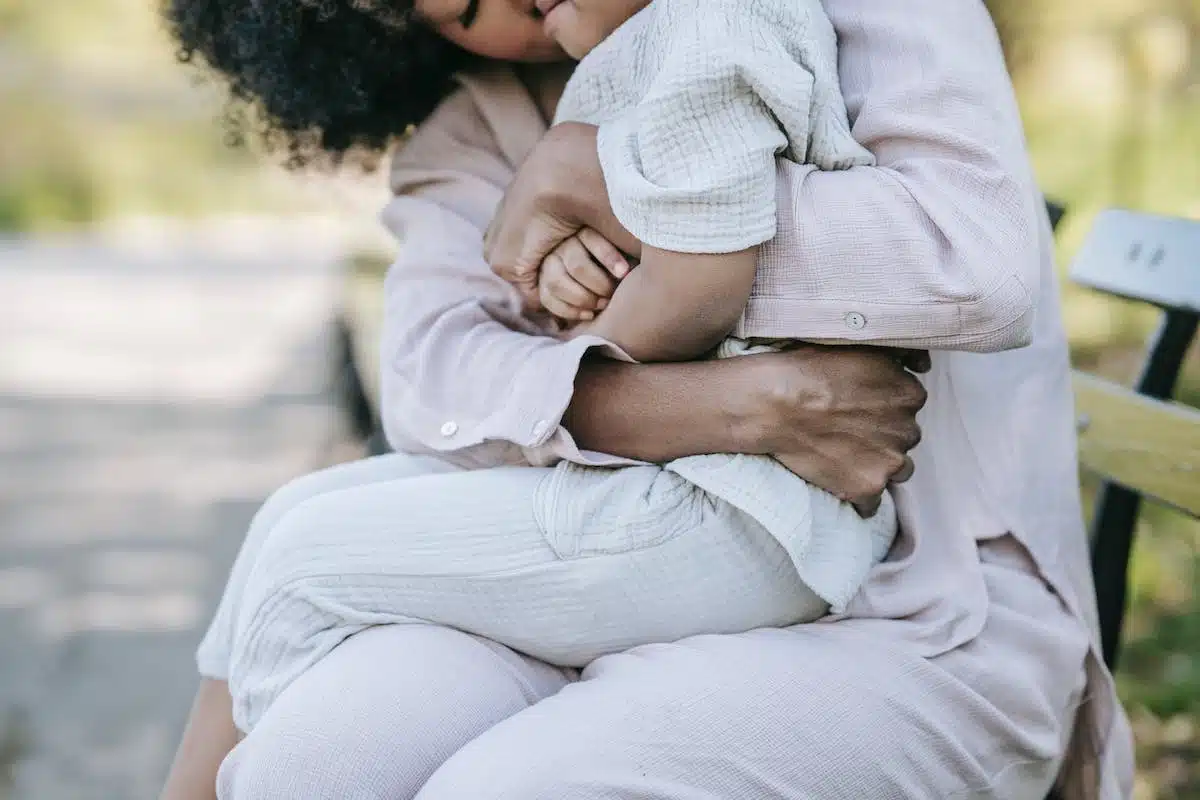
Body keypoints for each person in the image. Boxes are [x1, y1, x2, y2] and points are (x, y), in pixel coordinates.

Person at [160, 0, 1135, 798]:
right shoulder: (471, 122)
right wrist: (739, 404)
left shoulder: (741, 26)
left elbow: (976, 264)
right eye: (463, 10)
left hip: (928, 604)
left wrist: (601, 181)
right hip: (592, 569)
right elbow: (436, 380)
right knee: (309, 766)